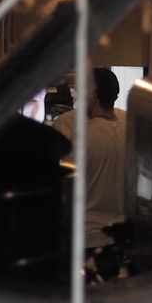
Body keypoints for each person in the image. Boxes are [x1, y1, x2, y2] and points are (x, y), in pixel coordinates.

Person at [52, 66, 127, 251]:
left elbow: (67, 188)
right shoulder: (130, 123)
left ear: (93, 96)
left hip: (89, 237)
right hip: (123, 234)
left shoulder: (83, 134)